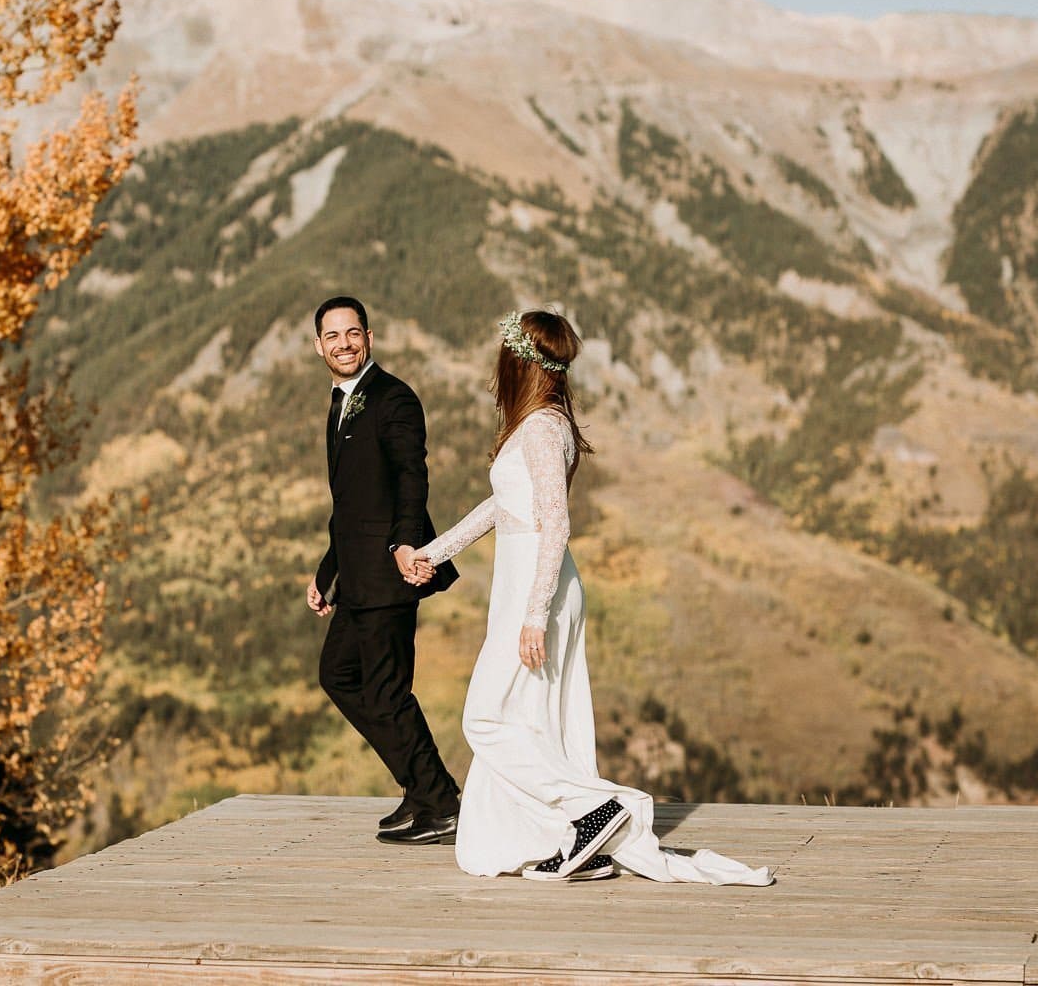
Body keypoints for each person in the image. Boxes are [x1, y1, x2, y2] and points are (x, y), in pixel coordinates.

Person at [408, 308, 773, 884]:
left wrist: (533, 614)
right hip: (535, 583)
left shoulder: (537, 429)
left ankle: (592, 809)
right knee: (532, 720)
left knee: (483, 717)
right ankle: (581, 842)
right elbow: (503, 509)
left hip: (537, 584)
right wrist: (434, 552)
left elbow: (555, 524)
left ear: (518, 362)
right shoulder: (545, 423)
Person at [307, 295, 464, 845]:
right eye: (332, 336)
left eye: (353, 334)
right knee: (339, 675)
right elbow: (348, 502)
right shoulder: (341, 401)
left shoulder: (394, 398)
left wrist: (405, 545)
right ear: (319, 345)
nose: (343, 344)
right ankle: (421, 788)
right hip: (355, 575)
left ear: (369, 338)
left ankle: (441, 803)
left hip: (389, 573)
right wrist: (327, 572)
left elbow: (410, 479)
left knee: (388, 692)